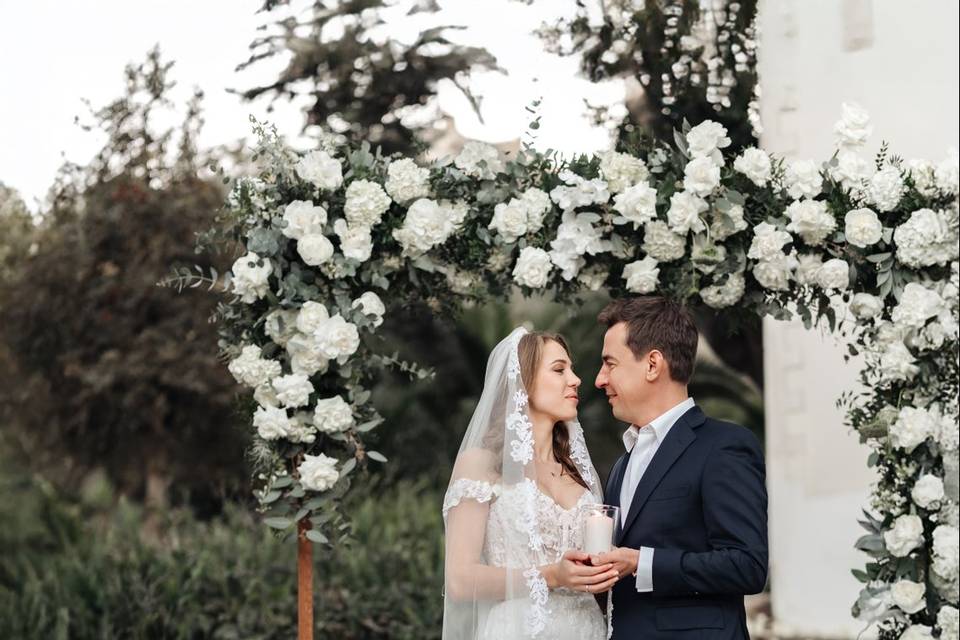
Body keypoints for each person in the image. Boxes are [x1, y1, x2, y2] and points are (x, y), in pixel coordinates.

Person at [590, 296, 769, 639]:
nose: (599, 379)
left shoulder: (723, 446)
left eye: (610, 363)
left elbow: (747, 565)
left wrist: (642, 563)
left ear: (653, 364)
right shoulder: (621, 464)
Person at [441, 328, 616, 640]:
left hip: (587, 630)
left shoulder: (579, 472)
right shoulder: (481, 464)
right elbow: (460, 580)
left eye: (572, 370)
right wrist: (551, 575)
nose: (575, 380)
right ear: (524, 381)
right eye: (560, 369)